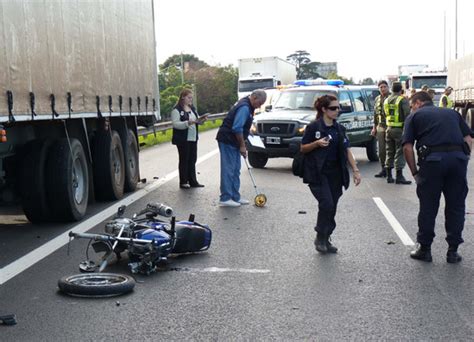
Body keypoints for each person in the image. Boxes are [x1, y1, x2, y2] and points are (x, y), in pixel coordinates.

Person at [402, 91, 471, 263]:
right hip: (457, 160)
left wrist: (415, 173)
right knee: (456, 206)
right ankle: (453, 251)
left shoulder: (415, 116)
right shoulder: (452, 112)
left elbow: (407, 147)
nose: (411, 109)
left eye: (411, 106)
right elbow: (468, 138)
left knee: (428, 206)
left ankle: (424, 249)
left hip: (432, 163)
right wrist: (464, 158)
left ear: (417, 103)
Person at [300, 94, 361, 253]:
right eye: (333, 108)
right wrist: (316, 143)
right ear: (324, 109)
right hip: (318, 173)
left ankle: (326, 237)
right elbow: (303, 148)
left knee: (332, 206)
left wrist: (355, 170)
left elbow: (347, 150)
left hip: (336, 174)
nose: (337, 111)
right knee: (326, 203)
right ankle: (320, 237)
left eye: (338, 108)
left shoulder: (339, 129)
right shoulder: (314, 127)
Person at [216, 90, 267, 207]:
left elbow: (241, 125)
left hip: (232, 140)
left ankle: (235, 196)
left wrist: (247, 132)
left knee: (235, 169)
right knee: (228, 169)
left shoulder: (248, 105)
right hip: (227, 140)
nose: (259, 106)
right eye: (259, 103)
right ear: (254, 97)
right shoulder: (245, 107)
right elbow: (237, 127)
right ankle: (225, 198)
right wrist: (242, 146)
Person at [171, 89, 207, 189]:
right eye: (189, 97)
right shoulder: (177, 110)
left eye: (191, 98)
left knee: (192, 159)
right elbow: (175, 124)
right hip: (183, 139)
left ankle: (193, 181)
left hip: (193, 137)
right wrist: (187, 123)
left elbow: (196, 120)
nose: (191, 99)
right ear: (183, 97)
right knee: (184, 159)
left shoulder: (192, 108)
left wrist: (201, 120)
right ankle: (183, 181)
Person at [384, 82, 412, 184]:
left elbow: (384, 114)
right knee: (400, 152)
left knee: (389, 151)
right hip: (399, 129)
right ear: (401, 90)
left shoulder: (386, 100)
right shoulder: (402, 99)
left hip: (389, 129)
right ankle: (399, 176)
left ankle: (389, 176)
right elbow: (408, 115)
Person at [371, 80, 390, 178]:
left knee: (391, 150)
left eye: (384, 87)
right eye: (381, 87)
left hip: (391, 127)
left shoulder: (392, 98)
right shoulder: (377, 99)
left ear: (388, 87)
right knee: (381, 150)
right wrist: (374, 127)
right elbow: (375, 114)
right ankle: (383, 169)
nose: (383, 89)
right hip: (380, 127)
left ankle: (391, 171)